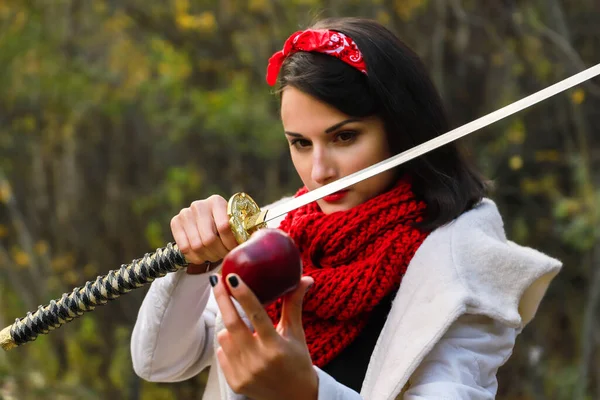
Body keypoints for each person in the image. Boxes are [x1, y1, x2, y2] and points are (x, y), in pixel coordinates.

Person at [130, 17, 562, 400]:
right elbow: (162, 363)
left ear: (402, 128)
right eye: (300, 143)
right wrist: (190, 267)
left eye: (344, 137)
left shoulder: (463, 256)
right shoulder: (281, 228)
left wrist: (308, 392)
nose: (319, 172)